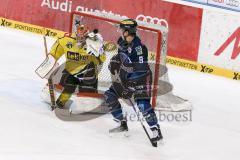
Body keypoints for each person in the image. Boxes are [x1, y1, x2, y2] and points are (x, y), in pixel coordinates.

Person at [104, 19, 163, 142]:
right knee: (110, 95)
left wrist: (130, 87)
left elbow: (140, 69)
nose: (121, 32)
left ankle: (155, 130)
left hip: (142, 77)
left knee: (142, 104)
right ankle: (122, 124)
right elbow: (121, 59)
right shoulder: (121, 42)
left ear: (128, 31)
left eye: (123, 30)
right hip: (127, 77)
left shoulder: (139, 49)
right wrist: (114, 64)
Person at [48, 24, 106, 109]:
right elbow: (53, 54)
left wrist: (98, 54)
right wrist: (51, 62)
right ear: (76, 33)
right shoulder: (66, 40)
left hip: (88, 74)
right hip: (70, 71)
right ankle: (60, 100)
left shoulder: (95, 43)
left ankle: (92, 100)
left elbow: (102, 60)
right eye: (79, 36)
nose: (81, 39)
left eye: (83, 37)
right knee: (61, 98)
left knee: (87, 106)